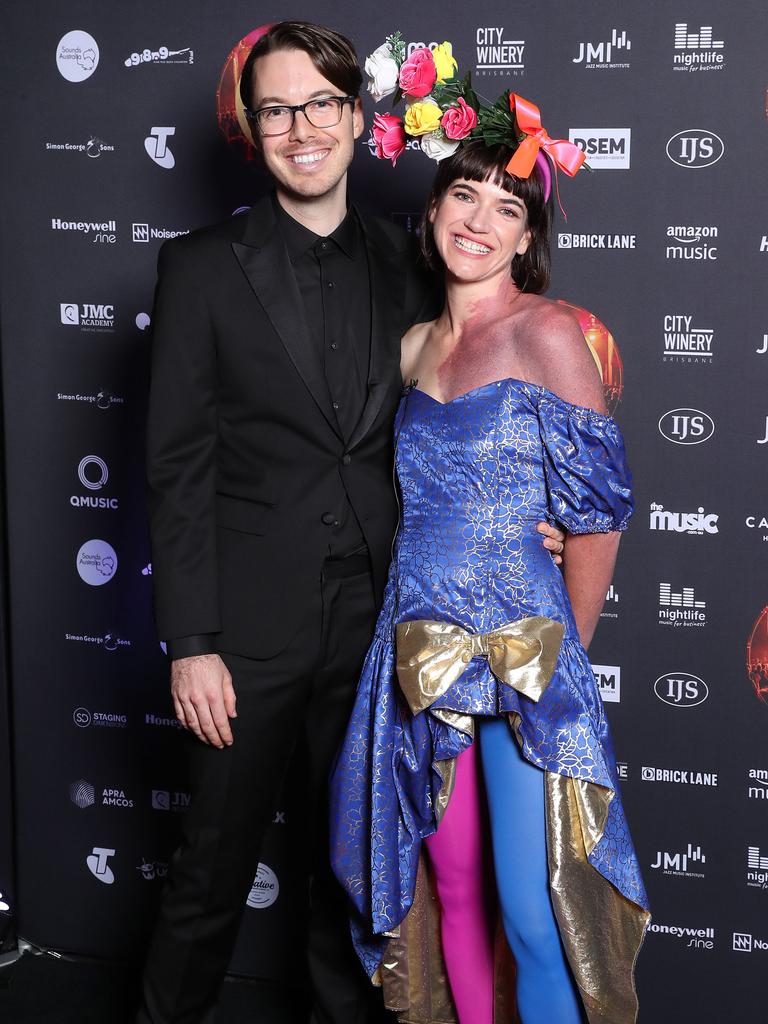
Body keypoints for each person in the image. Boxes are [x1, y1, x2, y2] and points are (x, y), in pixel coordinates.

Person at [138, 22, 565, 1024]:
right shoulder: (199, 267)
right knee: (208, 880)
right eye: (276, 109)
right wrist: (192, 643)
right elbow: (176, 468)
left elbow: (479, 397)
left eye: (321, 104)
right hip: (245, 634)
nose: (301, 127)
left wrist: (528, 525)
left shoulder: (414, 261)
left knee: (355, 881)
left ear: (356, 117)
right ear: (254, 128)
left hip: (383, 627)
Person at [329, 99, 651, 1024]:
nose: (478, 219)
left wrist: (563, 663)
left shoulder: (549, 333)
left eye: (506, 206)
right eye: (463, 195)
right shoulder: (413, 347)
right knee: (454, 899)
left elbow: (596, 516)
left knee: (535, 912)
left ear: (528, 234)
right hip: (420, 656)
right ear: (431, 213)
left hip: (524, 659)